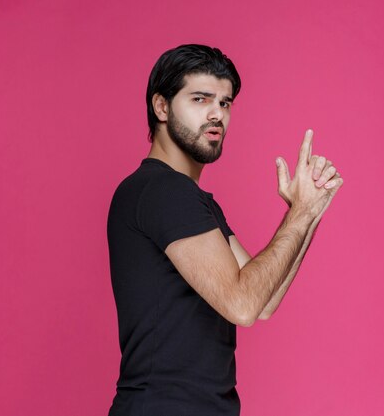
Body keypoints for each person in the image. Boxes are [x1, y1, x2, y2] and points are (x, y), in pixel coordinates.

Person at [106, 44, 343, 416]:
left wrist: (310, 211)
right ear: (162, 107)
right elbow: (242, 305)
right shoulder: (163, 190)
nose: (217, 114)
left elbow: (262, 301)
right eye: (200, 99)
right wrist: (299, 213)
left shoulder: (189, 198)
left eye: (225, 103)